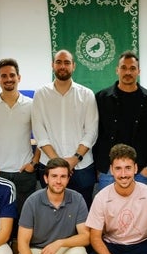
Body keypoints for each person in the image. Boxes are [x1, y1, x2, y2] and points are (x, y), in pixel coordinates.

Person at [8, 157, 89, 254]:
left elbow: (86, 237)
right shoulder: (32, 201)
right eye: (54, 176)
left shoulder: (77, 199)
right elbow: (23, 243)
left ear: (68, 178)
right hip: (37, 250)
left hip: (63, 248)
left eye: (63, 176)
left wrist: (59, 242)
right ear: (46, 178)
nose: (58, 181)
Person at [32, 49, 99, 208]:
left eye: (67, 62)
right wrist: (58, 162)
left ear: (74, 66)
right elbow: (39, 131)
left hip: (81, 166)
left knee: (82, 211)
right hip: (49, 166)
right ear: (52, 65)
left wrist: (74, 159)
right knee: (52, 211)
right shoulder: (41, 94)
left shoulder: (87, 95)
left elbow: (91, 131)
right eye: (59, 62)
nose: (63, 66)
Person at [0, 58, 40, 223]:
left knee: (24, 219)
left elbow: (42, 136)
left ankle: (22, 248)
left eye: (12, 75)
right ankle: (2, 248)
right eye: (4, 76)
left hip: (24, 172)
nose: (8, 79)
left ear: (19, 77)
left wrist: (34, 163)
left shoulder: (32, 104)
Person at [94, 50, 147, 189]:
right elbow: (95, 133)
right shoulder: (102, 98)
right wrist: (99, 167)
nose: (128, 72)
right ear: (117, 70)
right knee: (108, 210)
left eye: (132, 68)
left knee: (138, 210)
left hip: (140, 170)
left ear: (138, 71)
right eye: (124, 68)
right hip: (108, 170)